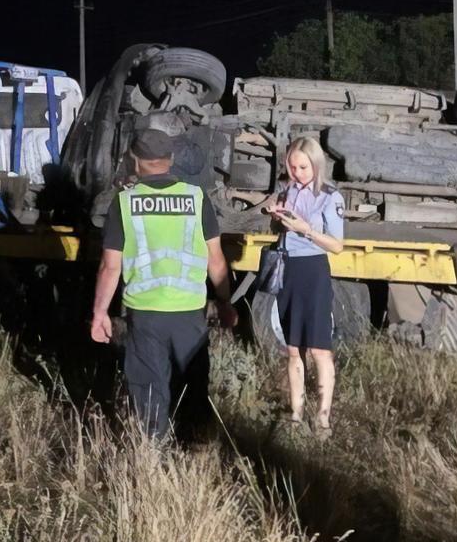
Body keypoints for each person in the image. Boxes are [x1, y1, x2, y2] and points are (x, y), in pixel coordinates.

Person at [90, 128, 237, 441]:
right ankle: (193, 447)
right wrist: (225, 302)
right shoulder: (196, 198)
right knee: (192, 387)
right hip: (190, 311)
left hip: (145, 313)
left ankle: (152, 452)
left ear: (135, 161)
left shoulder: (124, 203)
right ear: (170, 159)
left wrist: (100, 313)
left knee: (149, 388)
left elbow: (110, 266)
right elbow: (216, 261)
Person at [264, 135, 345, 433]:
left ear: (316, 165)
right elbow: (281, 229)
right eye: (293, 167)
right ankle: (295, 415)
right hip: (288, 268)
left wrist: (306, 229)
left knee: (319, 349)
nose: (297, 173)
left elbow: (337, 245)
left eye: (303, 168)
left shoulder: (330, 197)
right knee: (293, 349)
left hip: (313, 270)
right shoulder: (289, 190)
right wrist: (277, 215)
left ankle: (323, 418)